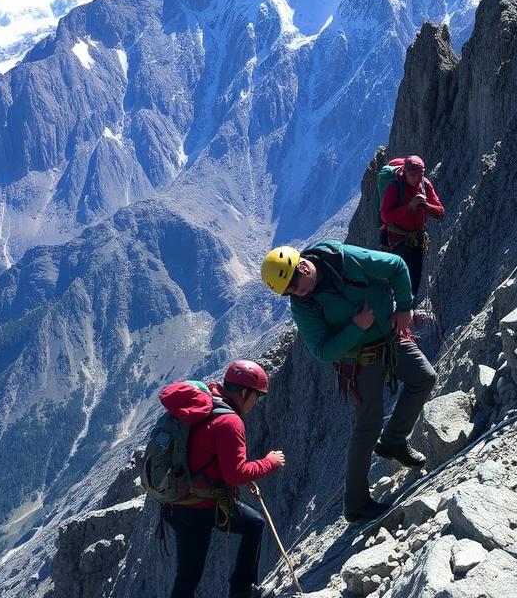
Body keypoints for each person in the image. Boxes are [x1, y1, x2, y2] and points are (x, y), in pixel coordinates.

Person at [261, 241, 437, 523]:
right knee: (367, 426)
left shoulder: (344, 259)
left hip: (390, 337)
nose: (296, 293)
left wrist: (404, 307)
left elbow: (395, 266)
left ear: (303, 266)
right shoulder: (303, 307)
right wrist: (358, 326)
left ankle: (393, 440)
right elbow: (322, 351)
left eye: (295, 284)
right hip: (362, 359)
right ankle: (355, 505)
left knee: (424, 377)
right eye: (289, 292)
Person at [163, 360, 284, 598]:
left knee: (187, 578)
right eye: (256, 396)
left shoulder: (204, 403)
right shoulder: (230, 421)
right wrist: (270, 462)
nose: (256, 402)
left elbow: (202, 454)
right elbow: (235, 474)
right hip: (200, 509)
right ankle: (242, 591)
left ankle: (242, 591)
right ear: (245, 392)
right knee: (254, 525)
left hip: (174, 502)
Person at [379, 155, 445, 298]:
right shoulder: (395, 188)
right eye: (413, 175)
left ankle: (408, 312)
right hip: (396, 241)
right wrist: (409, 207)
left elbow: (440, 211)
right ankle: (400, 311)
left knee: (414, 280)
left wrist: (426, 206)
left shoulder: (425, 185)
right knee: (400, 280)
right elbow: (385, 216)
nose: (417, 179)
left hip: (417, 239)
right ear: (405, 172)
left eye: (420, 175)